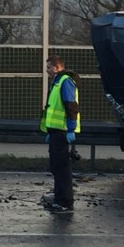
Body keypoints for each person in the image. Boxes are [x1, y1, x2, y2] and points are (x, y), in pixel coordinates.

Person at [40, 55, 80, 214]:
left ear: (57, 67)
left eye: (49, 67)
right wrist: (50, 130)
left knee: (62, 167)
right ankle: (59, 198)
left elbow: (71, 106)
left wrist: (71, 129)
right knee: (56, 166)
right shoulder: (57, 82)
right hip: (56, 131)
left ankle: (65, 202)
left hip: (62, 131)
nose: (47, 70)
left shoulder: (65, 82)